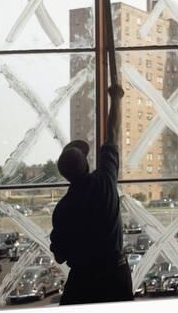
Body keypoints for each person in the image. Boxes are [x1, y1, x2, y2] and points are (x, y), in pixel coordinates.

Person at [50, 83, 133, 305]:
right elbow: (113, 133)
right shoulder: (105, 180)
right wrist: (115, 98)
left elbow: (60, 255)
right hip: (115, 275)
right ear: (86, 164)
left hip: (84, 280)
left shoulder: (63, 209)